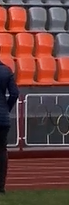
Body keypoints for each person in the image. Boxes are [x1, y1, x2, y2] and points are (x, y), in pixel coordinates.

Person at [0, 59, 16, 194]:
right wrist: (7, 108)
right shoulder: (6, 71)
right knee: (2, 151)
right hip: (3, 118)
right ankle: (1, 186)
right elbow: (14, 93)